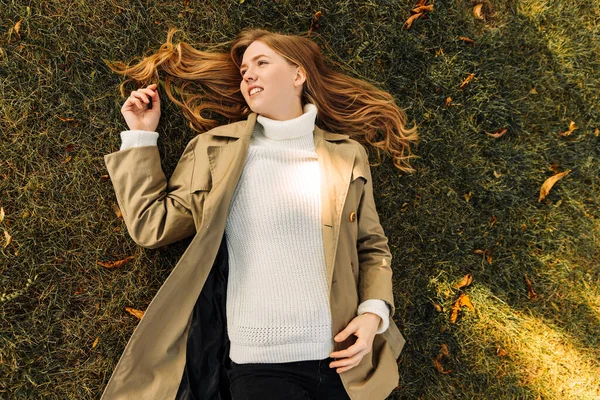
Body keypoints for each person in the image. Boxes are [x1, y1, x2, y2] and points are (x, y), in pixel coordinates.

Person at [102, 27, 418, 400]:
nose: (247, 74)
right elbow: (151, 226)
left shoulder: (346, 154)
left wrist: (373, 315)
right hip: (260, 365)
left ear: (298, 75)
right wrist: (141, 136)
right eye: (244, 71)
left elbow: (371, 245)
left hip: (345, 363)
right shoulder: (216, 150)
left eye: (261, 63)